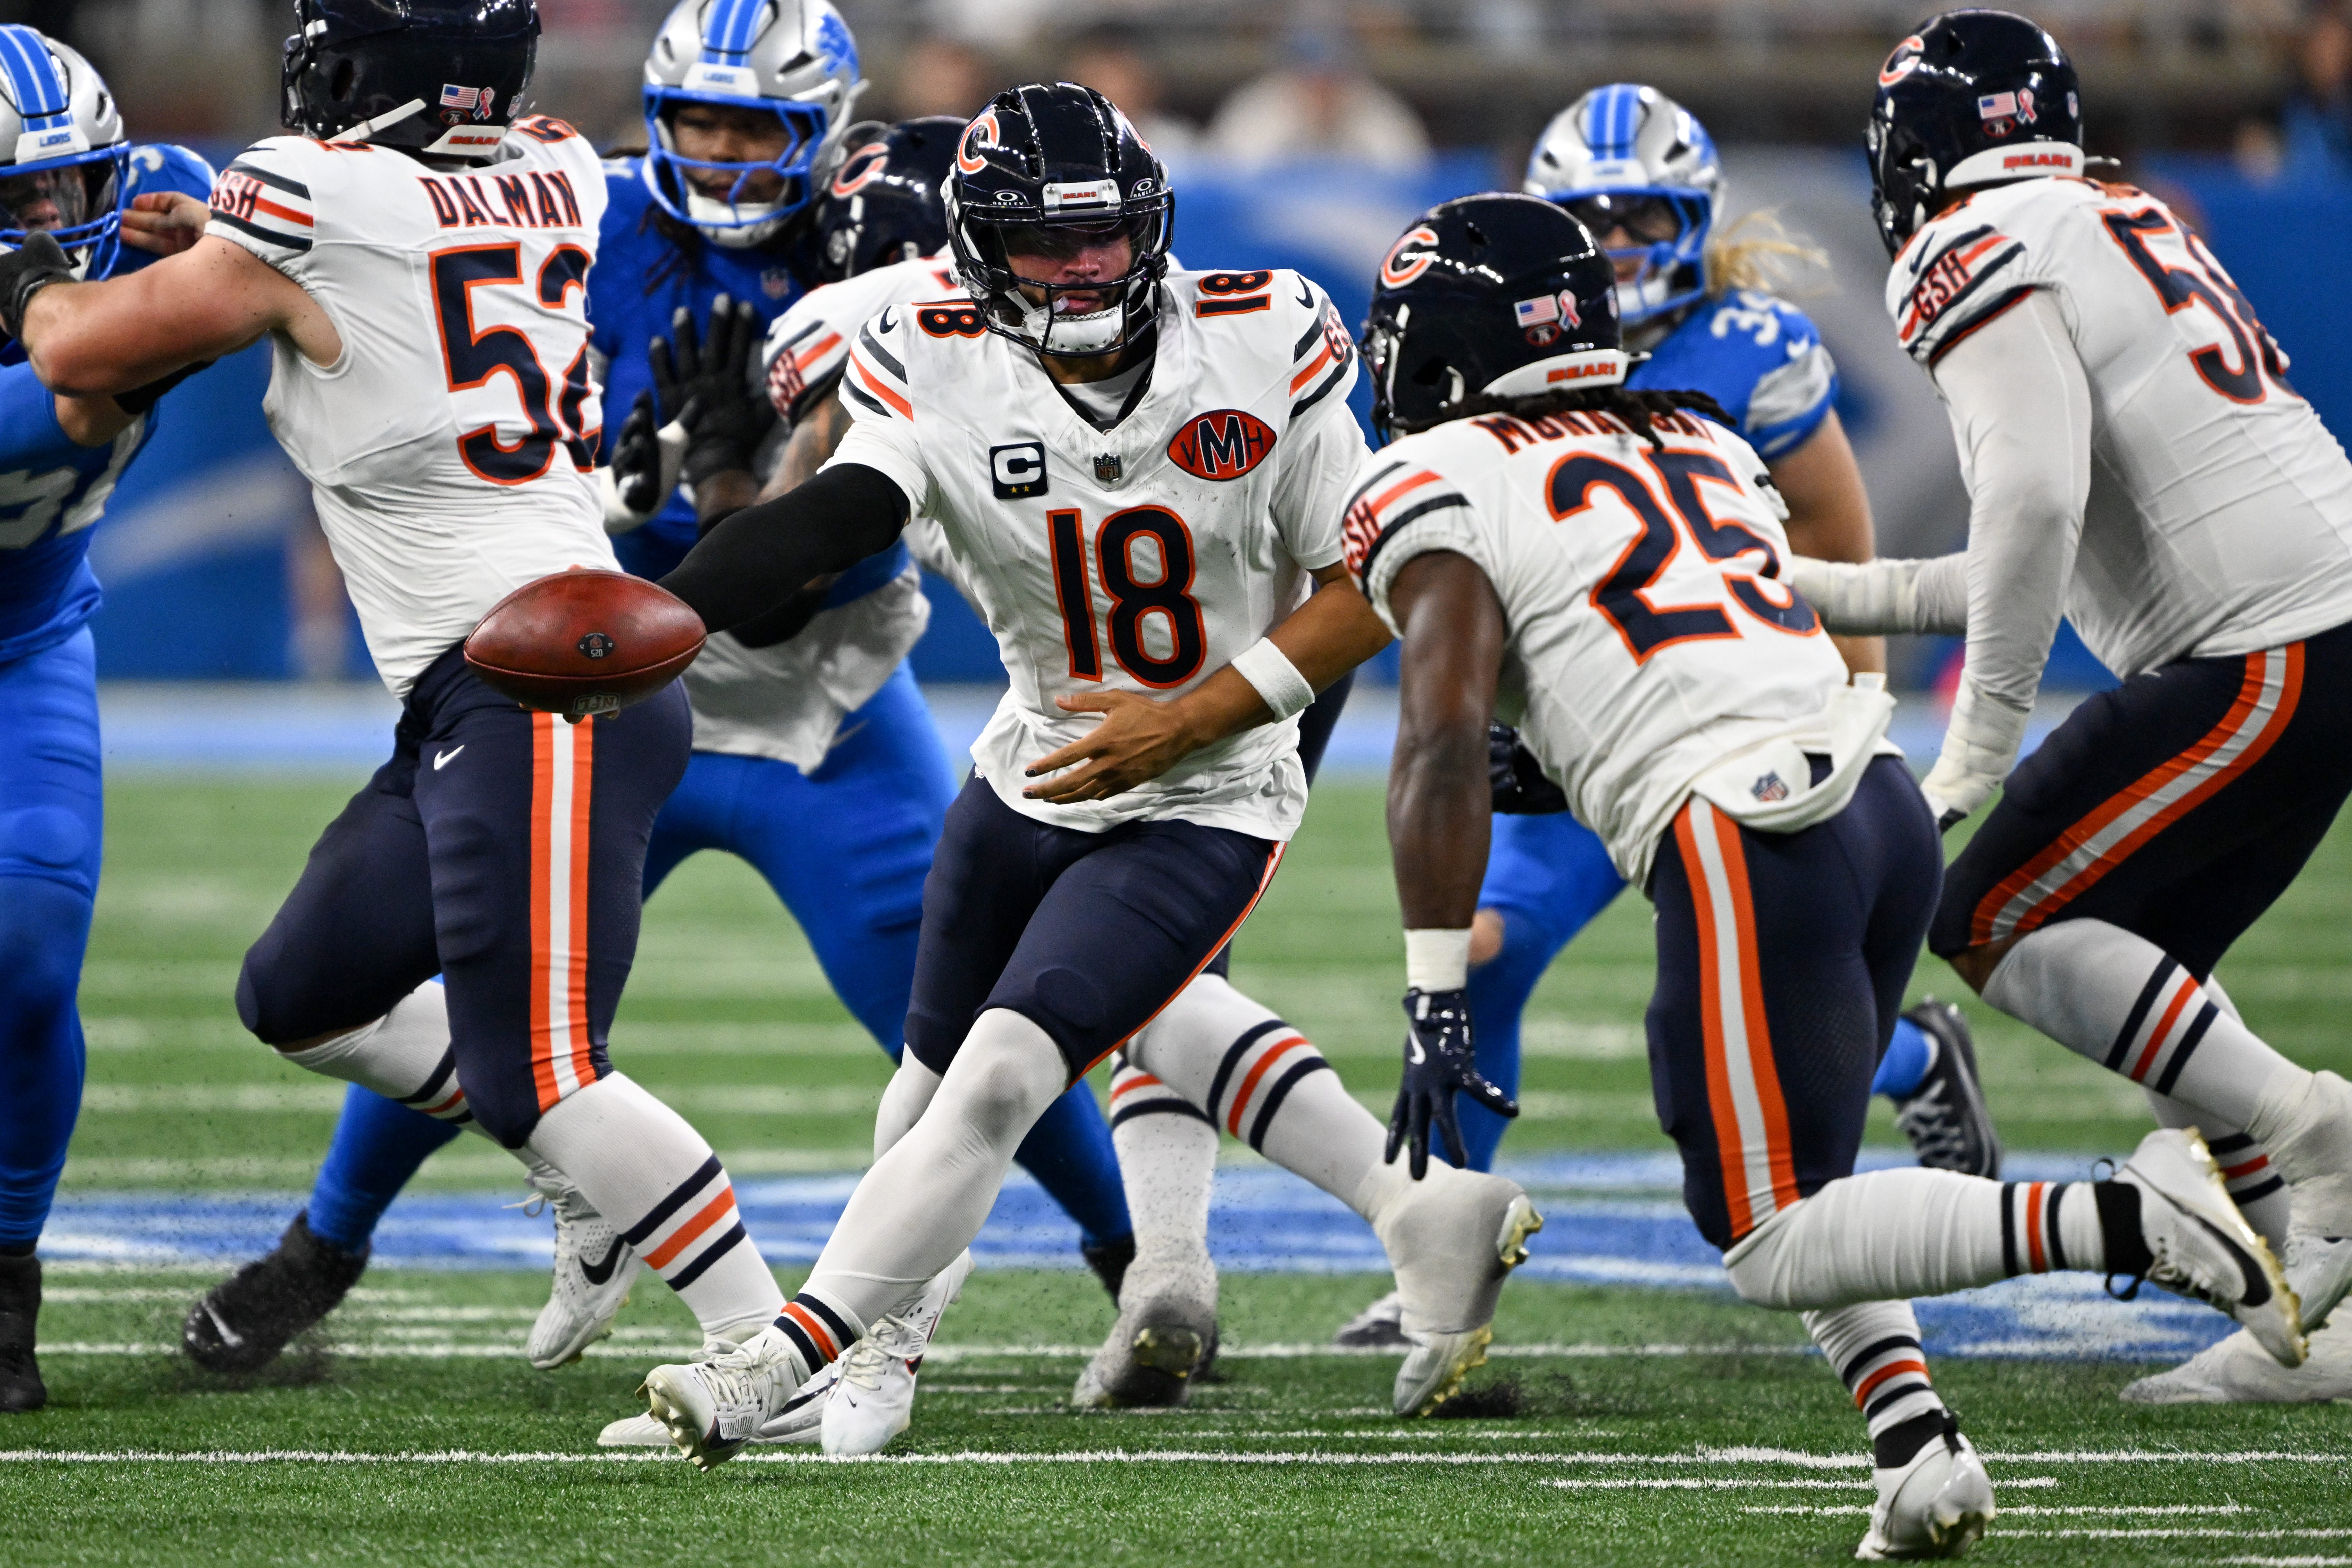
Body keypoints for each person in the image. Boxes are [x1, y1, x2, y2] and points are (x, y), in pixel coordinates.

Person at [172, 1, 1131, 1393]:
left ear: (831, 135)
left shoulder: (885, 262)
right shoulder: (575, 209)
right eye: (701, 126)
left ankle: (1132, 1263)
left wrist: (735, 489)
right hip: (594, 680)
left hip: (820, 716)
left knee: (970, 1009)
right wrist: (640, 494)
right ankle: (326, 1250)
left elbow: (822, 553)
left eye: (763, 130)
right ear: (656, 121)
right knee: (470, 985)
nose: (730, 157)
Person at [591, 83, 1538, 1466]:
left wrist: (1202, 717)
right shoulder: (928, 348)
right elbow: (840, 514)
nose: (1088, 268)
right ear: (980, 254)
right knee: (921, 1091)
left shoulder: (1264, 333)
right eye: (1048, 244)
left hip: (1209, 788)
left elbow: (1371, 581)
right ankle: (898, 1359)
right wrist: (657, 625)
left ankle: (775, 1367)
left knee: (998, 1081)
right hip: (1036, 763)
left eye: (1106, 236)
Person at [1358, 190, 2302, 1562]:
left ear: (1442, 348)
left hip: (1754, 834)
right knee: (1823, 1187)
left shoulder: (1434, 477)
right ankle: (1917, 1448)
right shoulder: (1690, 431)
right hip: (1871, 804)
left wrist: (1435, 991)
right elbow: (1740, 622)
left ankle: (2128, 1215)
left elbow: (1439, 736)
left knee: (1763, 1232)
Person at [1, 0, 811, 1450]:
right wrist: (208, 233)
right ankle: (588, 1182)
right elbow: (372, 250)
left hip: (542, 678)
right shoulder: (557, 160)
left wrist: (32, 279)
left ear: (354, 70)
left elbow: (80, 350)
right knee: (301, 991)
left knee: (544, 1074)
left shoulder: (314, 192)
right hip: (477, 679)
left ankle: (764, 1345)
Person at [1332, 81, 2001, 1353]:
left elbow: (1832, 535)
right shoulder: (1503, 383)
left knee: (1746, 1029)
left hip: (1722, 736)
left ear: (1692, 221)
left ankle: (1910, 1065)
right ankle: (1445, 1263)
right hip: (1573, 730)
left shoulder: (1748, 345)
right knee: (1484, 949)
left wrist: (1854, 705)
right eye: (1594, 220)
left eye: (1644, 218)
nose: (1623, 244)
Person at [1792, 9, 2352, 1408]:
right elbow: (2027, 550)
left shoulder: (1970, 240)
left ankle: (2318, 1131)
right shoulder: (2095, 213)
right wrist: (1824, 590)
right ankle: (2321, 1324)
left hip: (2265, 647)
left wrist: (1977, 740)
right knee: (2148, 964)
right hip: (2302, 632)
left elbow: (2036, 501)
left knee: (1992, 915)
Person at [0, 25, 218, 1413]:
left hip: (26, 646)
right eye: (15, 202)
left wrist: (238, 233)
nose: (47, 226)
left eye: (67, 193)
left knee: (25, 961)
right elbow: (67, 406)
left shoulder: (163, 216)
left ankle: (3, 1281)